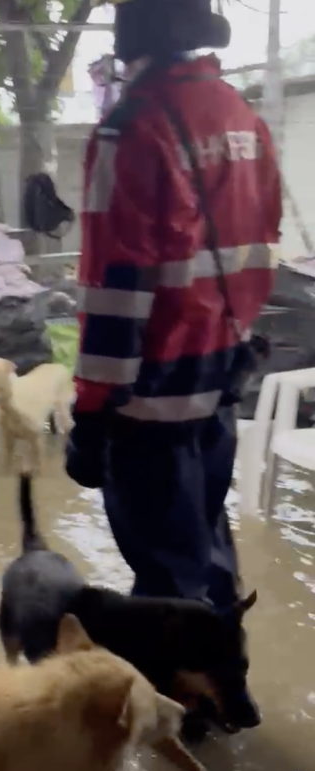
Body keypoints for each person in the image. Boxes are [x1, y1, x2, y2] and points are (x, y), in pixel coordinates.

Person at [66, 0, 282, 615]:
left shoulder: (130, 127)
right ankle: (225, 668)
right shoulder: (242, 116)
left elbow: (117, 287)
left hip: (150, 400)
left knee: (166, 588)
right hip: (220, 382)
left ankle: (181, 679)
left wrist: (91, 416)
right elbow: (261, 244)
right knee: (206, 551)